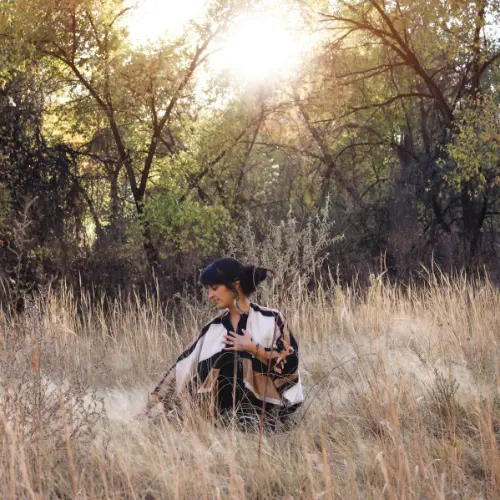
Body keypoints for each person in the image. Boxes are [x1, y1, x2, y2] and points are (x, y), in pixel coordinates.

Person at [142, 257, 304, 429]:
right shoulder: (213, 329)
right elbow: (181, 366)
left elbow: (290, 362)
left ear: (235, 286)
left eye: (214, 288)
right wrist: (149, 407)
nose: (210, 295)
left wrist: (252, 348)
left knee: (235, 361)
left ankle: (255, 421)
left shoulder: (271, 319)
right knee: (214, 365)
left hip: (272, 411)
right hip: (221, 416)